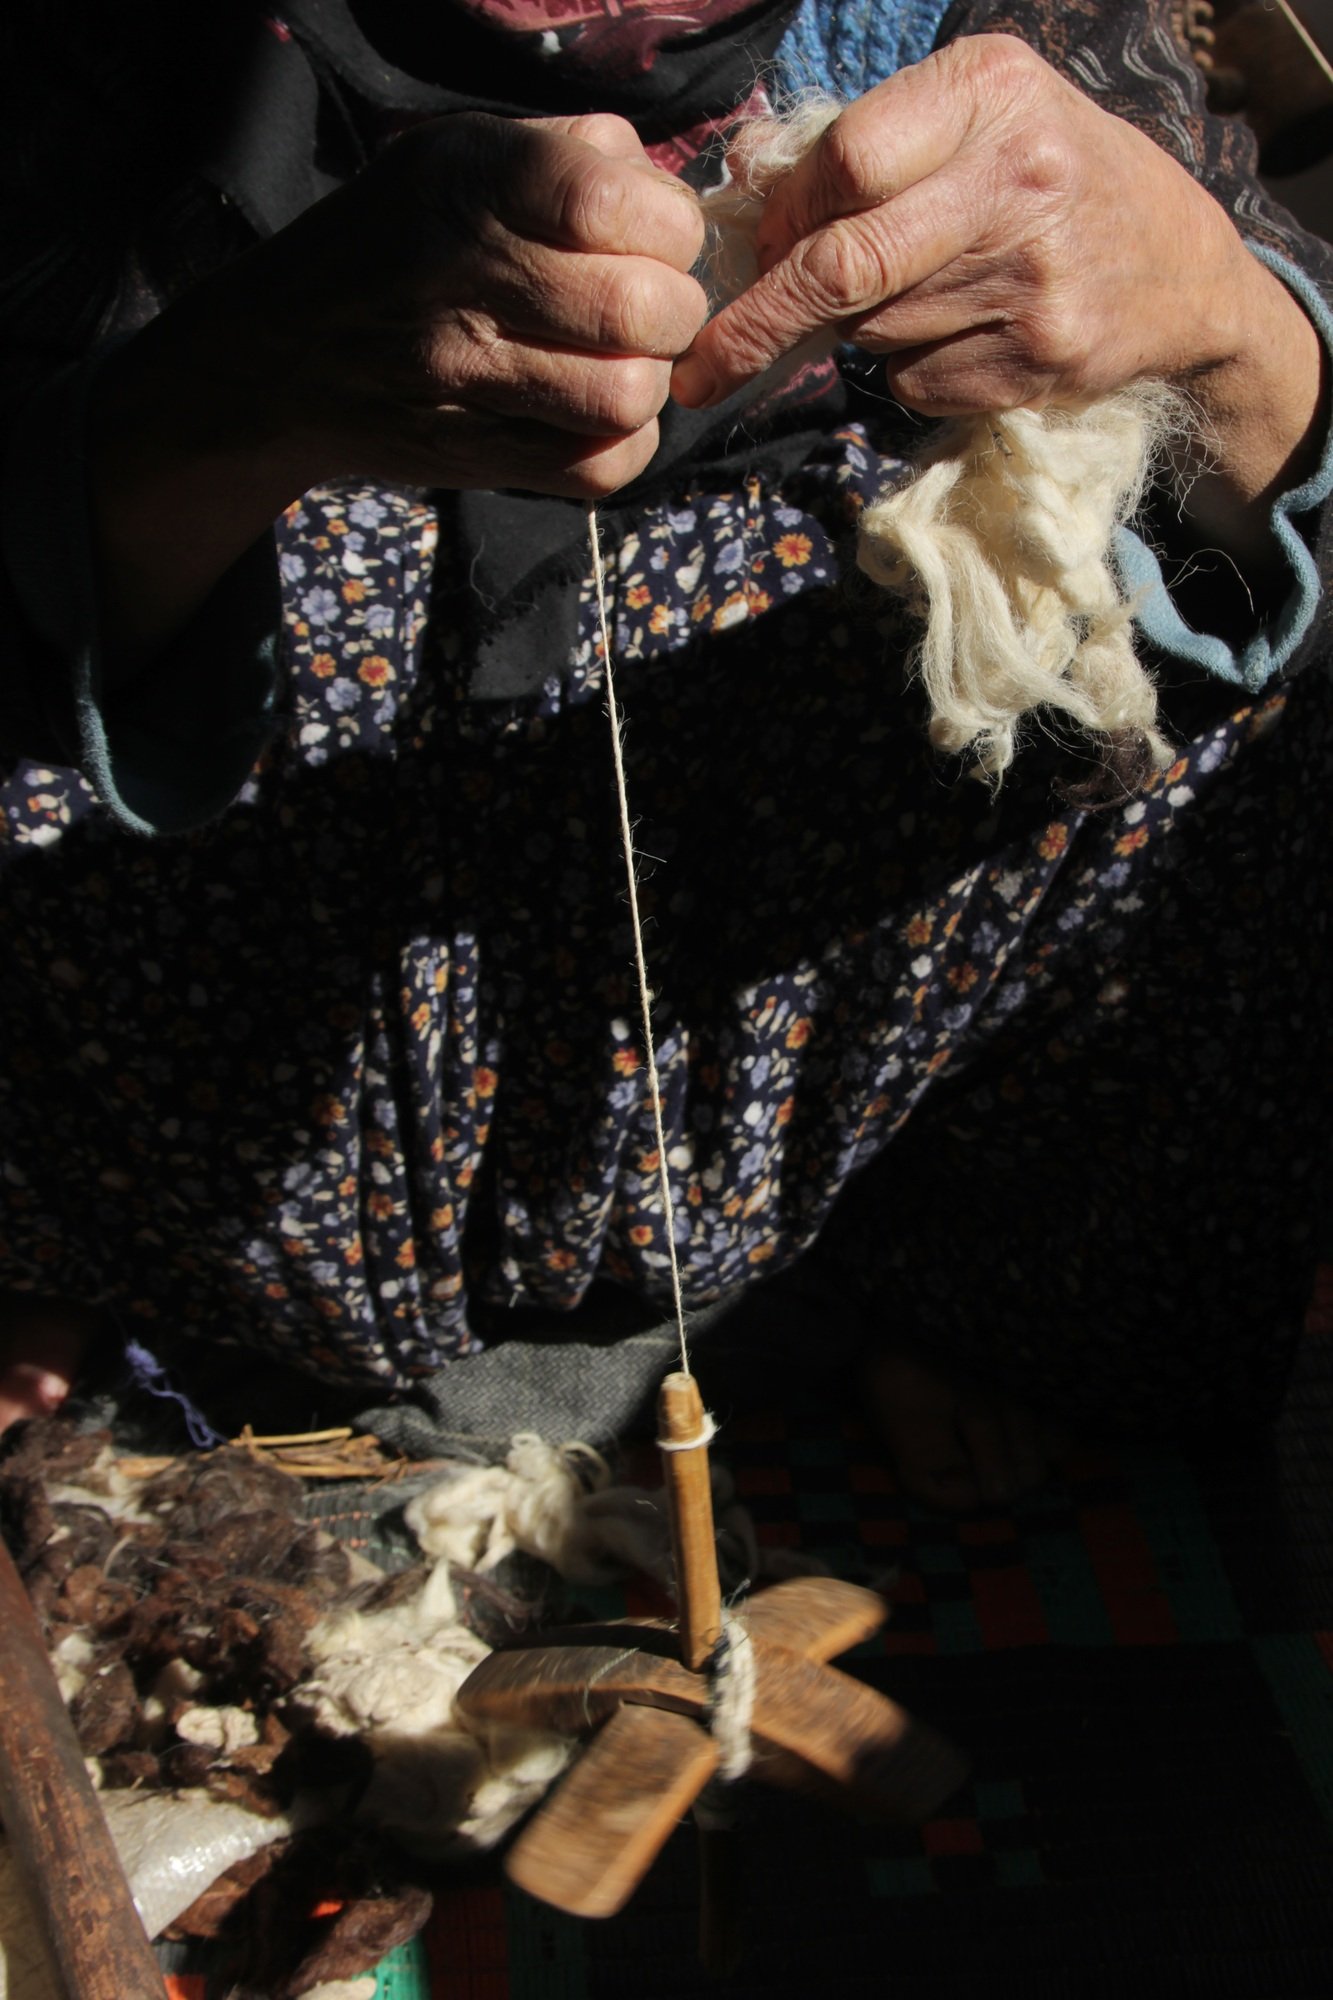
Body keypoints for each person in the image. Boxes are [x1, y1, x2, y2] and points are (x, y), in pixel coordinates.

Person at [0, 0, 1329, 1511]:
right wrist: (230, 395)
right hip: (206, 1017)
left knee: (1202, 667)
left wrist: (1227, 322)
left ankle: (971, 1283)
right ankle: (97, 1253)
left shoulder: (987, 31)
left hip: (773, 1004)